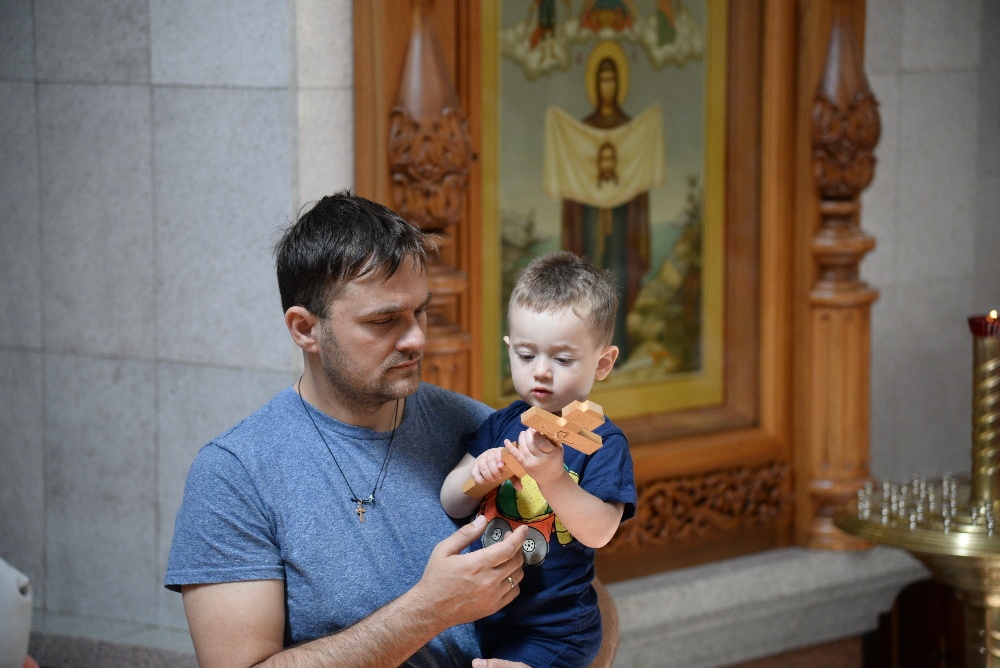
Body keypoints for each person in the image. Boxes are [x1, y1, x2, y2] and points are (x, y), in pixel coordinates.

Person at [165, 192, 538, 668]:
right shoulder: (235, 474)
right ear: (305, 329)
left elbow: (585, 597)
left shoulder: (481, 431)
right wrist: (429, 611)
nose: (416, 338)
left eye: (420, 311)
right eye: (384, 321)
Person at [440, 251, 636, 668]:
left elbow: (599, 532)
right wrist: (478, 475)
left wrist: (554, 478)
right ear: (509, 349)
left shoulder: (600, 441)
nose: (541, 371)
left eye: (562, 359)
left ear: (603, 363)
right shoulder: (500, 424)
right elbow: (452, 502)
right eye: (527, 355)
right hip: (485, 614)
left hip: (555, 627)